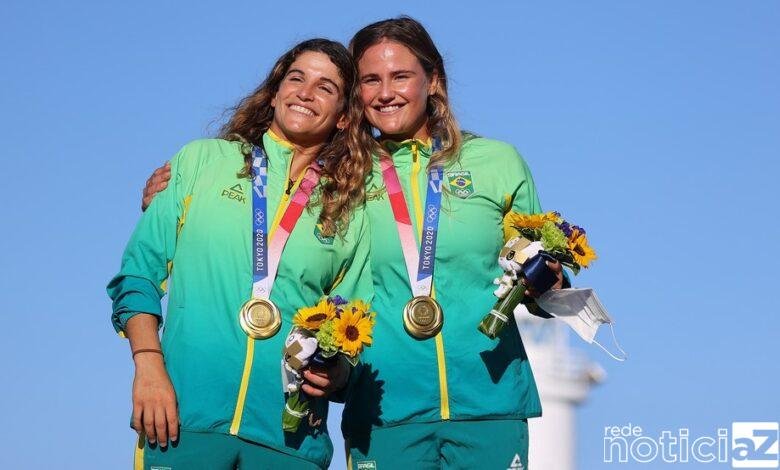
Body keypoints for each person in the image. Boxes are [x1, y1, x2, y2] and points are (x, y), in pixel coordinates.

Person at [141, 17, 562, 470]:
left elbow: (538, 276)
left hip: (489, 401)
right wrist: (167, 197)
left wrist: (549, 282)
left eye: (401, 76)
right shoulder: (343, 179)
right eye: (369, 80)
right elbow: (260, 214)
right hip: (382, 412)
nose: (386, 92)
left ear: (433, 81)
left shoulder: (498, 162)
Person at [109, 38, 374, 470]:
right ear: (274, 93)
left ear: (344, 117)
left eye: (326, 87)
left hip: (290, 441)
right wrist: (148, 366)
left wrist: (340, 370)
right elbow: (138, 275)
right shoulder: (201, 162)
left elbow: (357, 317)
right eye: (296, 78)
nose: (306, 92)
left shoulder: (348, 207)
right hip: (181, 421)